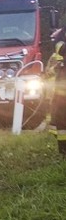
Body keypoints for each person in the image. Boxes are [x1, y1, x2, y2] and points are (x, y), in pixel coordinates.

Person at [45, 27, 66, 156]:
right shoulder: (57, 59)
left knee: (60, 123)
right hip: (57, 93)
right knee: (59, 122)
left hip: (58, 94)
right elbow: (48, 72)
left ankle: (63, 151)